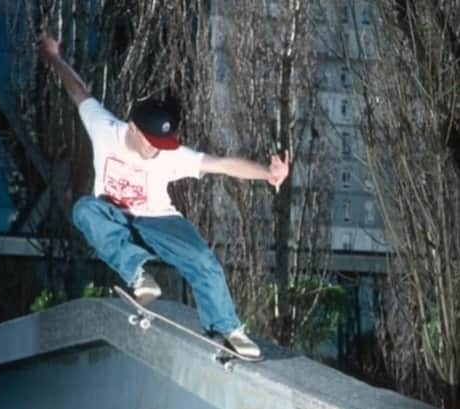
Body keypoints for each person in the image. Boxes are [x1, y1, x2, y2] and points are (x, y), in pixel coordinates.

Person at [37, 36, 290, 358]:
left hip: (159, 220)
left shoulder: (173, 156)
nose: (156, 150)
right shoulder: (104, 128)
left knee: (203, 261)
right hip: (114, 218)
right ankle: (139, 275)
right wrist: (54, 57)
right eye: (151, 142)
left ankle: (227, 328)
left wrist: (267, 174)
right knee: (85, 209)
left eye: (162, 143)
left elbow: (222, 164)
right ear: (132, 129)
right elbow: (78, 91)